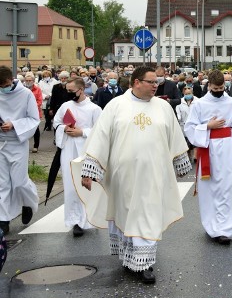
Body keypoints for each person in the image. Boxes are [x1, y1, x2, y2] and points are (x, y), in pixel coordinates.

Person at [77, 66, 191, 284]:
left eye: (157, 82)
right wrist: (90, 170)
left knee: (146, 215)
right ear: (136, 82)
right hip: (123, 176)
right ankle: (130, 259)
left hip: (154, 174)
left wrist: (180, 161)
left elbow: (174, 135)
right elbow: (101, 137)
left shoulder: (163, 106)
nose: (155, 86)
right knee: (126, 214)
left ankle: (145, 264)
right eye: (151, 82)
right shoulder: (116, 106)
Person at [184, 70, 232, 244]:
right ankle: (212, 227)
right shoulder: (199, 104)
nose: (219, 90)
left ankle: (225, 229)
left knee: (227, 188)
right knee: (210, 189)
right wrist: (207, 126)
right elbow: (189, 128)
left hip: (227, 149)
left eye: (222, 87)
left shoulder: (231, 103)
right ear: (209, 86)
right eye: (216, 87)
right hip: (208, 148)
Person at [53, 77, 102, 237]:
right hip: (68, 148)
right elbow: (56, 122)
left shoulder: (94, 109)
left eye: (71, 91)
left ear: (81, 90)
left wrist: (82, 132)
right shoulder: (65, 106)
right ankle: (75, 220)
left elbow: (100, 130)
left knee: (85, 184)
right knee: (70, 185)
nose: (68, 93)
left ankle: (87, 218)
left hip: (86, 150)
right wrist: (63, 128)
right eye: (67, 90)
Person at [0, 66, 39, 234]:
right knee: (2, 184)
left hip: (17, 142)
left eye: (5, 85)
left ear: (11, 80)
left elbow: (33, 119)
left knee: (19, 182)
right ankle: (3, 219)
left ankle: (28, 203)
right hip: (1, 142)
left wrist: (14, 124)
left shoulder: (26, 94)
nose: (3, 89)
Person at [23, 72, 43, 153]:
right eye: (27, 80)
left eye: (30, 80)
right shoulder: (22, 89)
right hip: (24, 112)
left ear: (33, 81)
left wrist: (31, 107)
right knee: (24, 129)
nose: (28, 82)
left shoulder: (37, 89)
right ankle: (24, 145)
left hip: (35, 111)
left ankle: (36, 146)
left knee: (36, 129)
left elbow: (39, 101)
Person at [176, 86, 196, 162]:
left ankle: (195, 156)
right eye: (186, 93)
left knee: (194, 143)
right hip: (183, 126)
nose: (188, 95)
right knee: (186, 144)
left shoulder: (197, 101)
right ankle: (188, 156)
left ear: (192, 93)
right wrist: (178, 118)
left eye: (189, 93)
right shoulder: (180, 103)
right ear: (183, 94)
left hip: (194, 126)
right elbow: (178, 115)